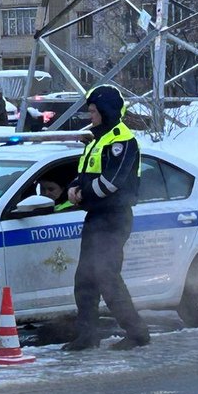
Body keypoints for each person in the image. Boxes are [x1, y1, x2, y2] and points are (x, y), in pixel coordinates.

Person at [62, 85, 149, 351]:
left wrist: (83, 194)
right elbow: (84, 173)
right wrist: (73, 189)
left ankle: (137, 333)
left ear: (106, 111)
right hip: (97, 218)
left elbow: (112, 182)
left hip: (114, 218)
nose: (91, 116)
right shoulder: (97, 140)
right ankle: (88, 335)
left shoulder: (122, 141)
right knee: (85, 279)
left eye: (93, 111)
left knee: (106, 275)